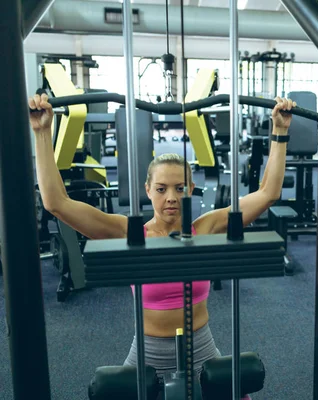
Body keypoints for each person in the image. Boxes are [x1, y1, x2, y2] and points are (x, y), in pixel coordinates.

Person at [29, 92, 295, 392]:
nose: (171, 196)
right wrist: (42, 132)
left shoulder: (207, 228)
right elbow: (56, 203)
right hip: (147, 354)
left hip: (202, 350)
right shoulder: (127, 235)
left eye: (180, 187)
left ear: (192, 188)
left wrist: (280, 131)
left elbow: (267, 193)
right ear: (148, 189)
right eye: (161, 188)